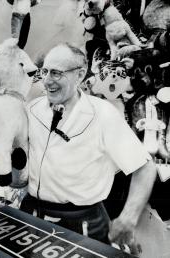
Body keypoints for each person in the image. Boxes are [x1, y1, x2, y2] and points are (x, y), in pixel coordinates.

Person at [21, 43, 157, 254]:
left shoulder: (103, 114)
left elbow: (145, 168)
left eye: (56, 73)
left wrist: (128, 217)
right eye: (45, 71)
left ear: (80, 74)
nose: (47, 81)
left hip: (83, 221)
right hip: (32, 213)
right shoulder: (31, 109)